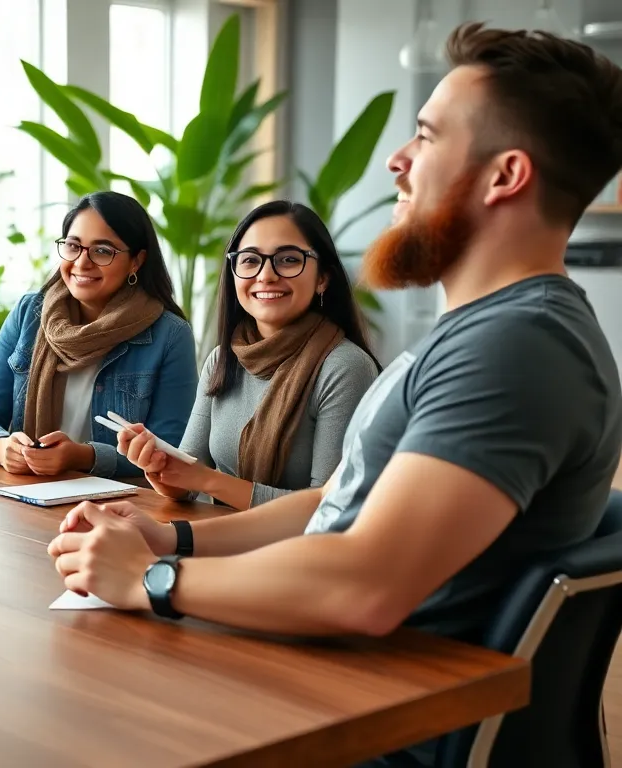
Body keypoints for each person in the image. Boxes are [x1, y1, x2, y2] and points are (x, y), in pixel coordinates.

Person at [51, 23, 622, 766]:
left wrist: (150, 579)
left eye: (426, 136)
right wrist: (172, 539)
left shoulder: (518, 347)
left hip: (366, 721)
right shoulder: (483, 333)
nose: (397, 160)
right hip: (326, 673)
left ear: (504, 175)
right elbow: (334, 502)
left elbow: (365, 586)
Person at [124, 201, 380, 510]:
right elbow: (186, 480)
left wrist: (206, 480)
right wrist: (157, 466)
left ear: (322, 278)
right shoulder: (222, 360)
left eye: (288, 259)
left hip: (297, 542)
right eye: (250, 260)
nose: (266, 275)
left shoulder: (345, 367)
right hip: (220, 533)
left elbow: (328, 507)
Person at [0, 190, 198, 479]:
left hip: (121, 500)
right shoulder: (29, 314)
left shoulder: (170, 335)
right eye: (73, 246)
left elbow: (170, 450)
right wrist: (1, 448)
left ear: (136, 261)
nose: (82, 262)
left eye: (103, 251)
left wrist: (82, 456)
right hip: (29, 490)